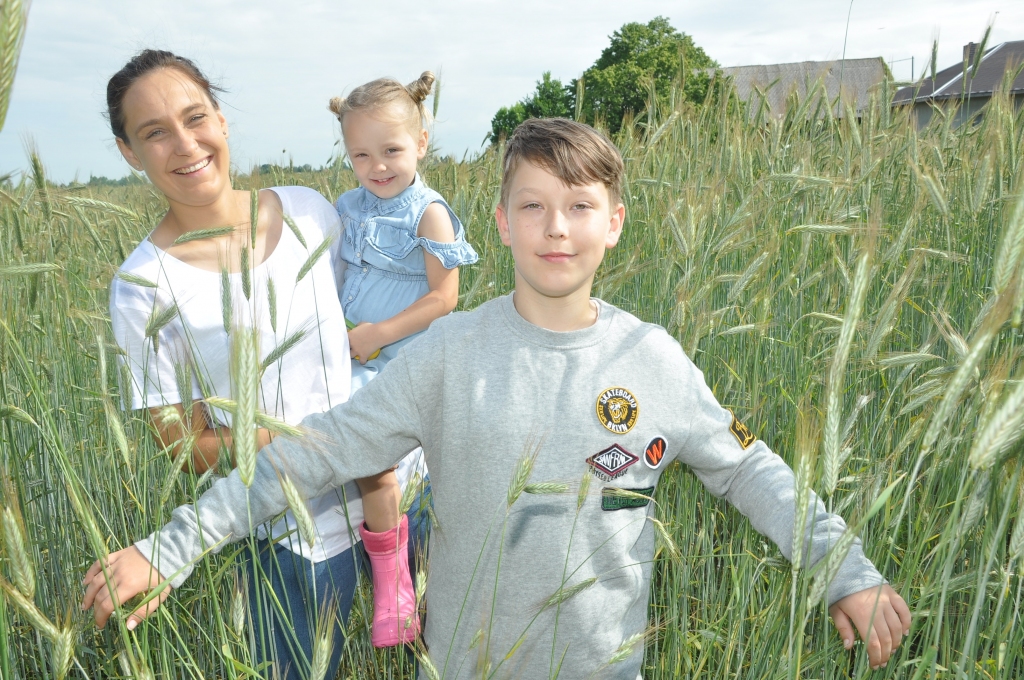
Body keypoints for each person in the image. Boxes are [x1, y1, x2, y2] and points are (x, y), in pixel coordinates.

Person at [84, 117, 911, 678]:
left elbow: (748, 469)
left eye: (581, 206)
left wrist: (849, 570)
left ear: (615, 222)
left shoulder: (650, 358)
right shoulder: (448, 353)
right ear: (501, 222)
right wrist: (172, 547)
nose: (559, 228)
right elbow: (312, 455)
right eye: (534, 206)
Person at [102, 49, 412, 678]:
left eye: (195, 118)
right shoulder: (142, 287)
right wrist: (325, 441)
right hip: (286, 545)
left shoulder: (309, 211)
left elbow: (379, 322)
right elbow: (181, 446)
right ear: (128, 152)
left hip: (402, 508)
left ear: (221, 118)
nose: (185, 144)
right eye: (154, 133)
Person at [325, 70, 478, 647]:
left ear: (421, 141)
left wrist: (378, 333)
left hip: (404, 355)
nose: (378, 166)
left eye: (391, 150)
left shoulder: (427, 212)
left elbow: (445, 298)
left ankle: (393, 586)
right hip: (351, 349)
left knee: (375, 459)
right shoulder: (349, 205)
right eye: (361, 154)